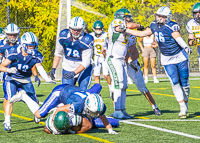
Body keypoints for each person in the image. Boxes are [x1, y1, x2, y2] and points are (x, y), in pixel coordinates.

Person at [120, 6, 192, 118]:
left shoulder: (171, 25)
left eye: (163, 17)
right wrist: (126, 30)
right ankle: (182, 107)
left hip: (180, 56)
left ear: (168, 17)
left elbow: (177, 37)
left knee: (185, 84)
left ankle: (185, 102)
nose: (160, 18)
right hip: (167, 58)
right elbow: (142, 34)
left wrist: (185, 46)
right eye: (159, 16)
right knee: (174, 82)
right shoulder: (153, 25)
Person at [9, 83, 118, 134]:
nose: (94, 114)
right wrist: (53, 123)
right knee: (38, 114)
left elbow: (102, 116)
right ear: (88, 106)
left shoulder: (98, 105)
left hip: (73, 92)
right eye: (92, 112)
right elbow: (59, 110)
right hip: (60, 92)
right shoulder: (78, 105)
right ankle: (24, 96)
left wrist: (110, 130)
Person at [0, 32, 55, 131]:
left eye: (34, 46)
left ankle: (35, 112)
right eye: (30, 46)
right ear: (23, 45)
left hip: (26, 79)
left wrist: (47, 78)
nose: (32, 48)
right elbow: (1, 66)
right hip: (12, 77)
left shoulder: (36, 55)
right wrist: (8, 70)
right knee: (9, 97)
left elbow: (39, 66)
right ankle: (7, 121)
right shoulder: (14, 51)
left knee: (34, 99)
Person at [106, 8, 142, 119]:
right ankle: (117, 111)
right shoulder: (116, 23)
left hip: (121, 60)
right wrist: (139, 25)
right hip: (113, 59)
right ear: (121, 16)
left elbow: (125, 49)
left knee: (124, 85)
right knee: (118, 83)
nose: (129, 19)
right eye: (127, 17)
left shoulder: (125, 31)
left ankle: (122, 110)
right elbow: (129, 26)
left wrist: (130, 61)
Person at [49, 16, 94, 91]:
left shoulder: (87, 40)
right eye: (73, 29)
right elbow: (58, 53)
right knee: (66, 91)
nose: (75, 31)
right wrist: (54, 68)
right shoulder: (63, 36)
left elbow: (86, 62)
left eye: (78, 30)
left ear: (82, 29)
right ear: (70, 28)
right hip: (68, 67)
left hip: (83, 69)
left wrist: (74, 73)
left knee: (83, 91)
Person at [89, 20, 113, 97]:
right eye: (97, 29)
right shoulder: (91, 36)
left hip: (105, 56)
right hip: (96, 56)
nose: (98, 31)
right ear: (94, 29)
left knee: (106, 75)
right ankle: (97, 92)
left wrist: (107, 52)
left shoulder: (106, 35)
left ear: (102, 29)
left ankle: (111, 89)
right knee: (96, 75)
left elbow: (111, 46)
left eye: (99, 29)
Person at [186, 2, 200, 71]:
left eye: (199, 13)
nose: (197, 15)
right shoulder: (191, 23)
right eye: (195, 13)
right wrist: (196, 42)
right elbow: (190, 41)